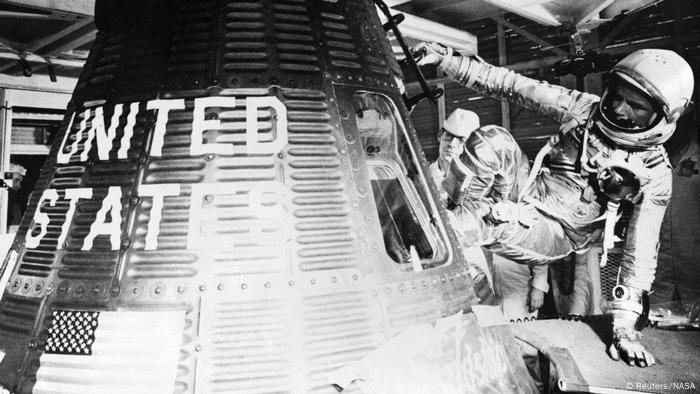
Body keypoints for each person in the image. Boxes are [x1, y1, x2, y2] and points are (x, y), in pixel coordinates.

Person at [413, 42, 695, 367]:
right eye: (617, 96)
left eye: (635, 106)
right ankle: (449, 226)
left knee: (486, 220)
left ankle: (445, 243)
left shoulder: (653, 172)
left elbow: (640, 255)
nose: (619, 109)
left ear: (665, 113)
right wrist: (448, 60)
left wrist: (625, 330)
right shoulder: (585, 109)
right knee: (491, 139)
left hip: (556, 232)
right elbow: (512, 86)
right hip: (528, 192)